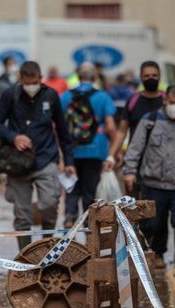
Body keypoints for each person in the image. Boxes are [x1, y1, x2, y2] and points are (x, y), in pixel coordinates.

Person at [0, 61, 76, 249]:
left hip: (47, 158)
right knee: (22, 214)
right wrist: (13, 137)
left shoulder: (51, 96)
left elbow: (63, 131)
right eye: (27, 83)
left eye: (35, 82)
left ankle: (47, 246)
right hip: (18, 162)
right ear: (20, 80)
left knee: (50, 204)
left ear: (41, 78)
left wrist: (69, 161)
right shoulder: (10, 95)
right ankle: (25, 254)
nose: (31, 87)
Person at [122, 84, 175, 269]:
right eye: (172, 102)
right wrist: (129, 172)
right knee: (153, 224)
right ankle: (156, 256)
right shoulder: (149, 121)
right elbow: (135, 149)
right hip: (153, 184)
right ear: (165, 100)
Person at [59, 62, 117, 226]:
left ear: (78, 76)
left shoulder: (66, 96)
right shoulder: (103, 97)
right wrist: (114, 152)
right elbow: (111, 127)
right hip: (96, 149)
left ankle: (70, 217)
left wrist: (61, 152)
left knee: (71, 187)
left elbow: (58, 125)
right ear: (95, 76)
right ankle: (89, 224)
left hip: (71, 149)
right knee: (90, 190)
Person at [108, 61, 166, 165]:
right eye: (147, 76)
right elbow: (121, 131)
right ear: (141, 78)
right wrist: (111, 155)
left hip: (162, 160)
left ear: (159, 76)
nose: (151, 78)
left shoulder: (167, 101)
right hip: (136, 160)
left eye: (154, 75)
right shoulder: (133, 100)